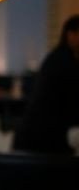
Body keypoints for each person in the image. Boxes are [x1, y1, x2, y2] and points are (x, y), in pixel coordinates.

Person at [14, 15, 79, 153]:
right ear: (71, 35)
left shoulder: (59, 58)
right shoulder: (62, 62)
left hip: (40, 133)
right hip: (42, 137)